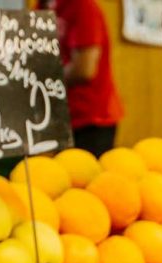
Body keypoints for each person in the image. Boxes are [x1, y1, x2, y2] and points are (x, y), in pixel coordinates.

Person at [45, 0, 123, 156]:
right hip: (60, 118)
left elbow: (84, 69)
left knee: (85, 170)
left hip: (91, 119)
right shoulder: (42, 6)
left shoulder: (82, 6)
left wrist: (40, 80)